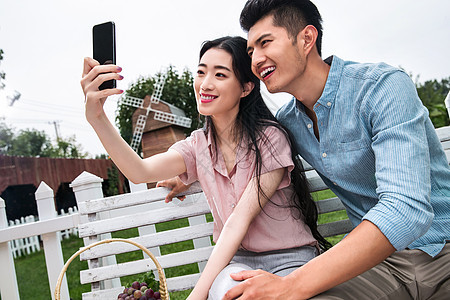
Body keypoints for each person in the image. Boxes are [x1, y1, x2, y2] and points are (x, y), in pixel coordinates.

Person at [219, 1, 450, 299]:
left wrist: (292, 285)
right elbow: (246, 150)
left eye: (265, 43)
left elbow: (406, 208)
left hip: (443, 250)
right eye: (251, 51)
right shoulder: (288, 122)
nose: (256, 60)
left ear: (306, 39)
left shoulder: (381, 87)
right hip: (381, 266)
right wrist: (186, 170)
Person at [81, 35, 331, 300]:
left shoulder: (270, 139)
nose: (205, 84)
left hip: (289, 262)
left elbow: (237, 222)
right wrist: (97, 118)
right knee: (226, 292)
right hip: (238, 263)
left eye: (220, 75)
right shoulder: (197, 146)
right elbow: (139, 171)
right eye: (201, 72)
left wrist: (194, 297)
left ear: (246, 88)